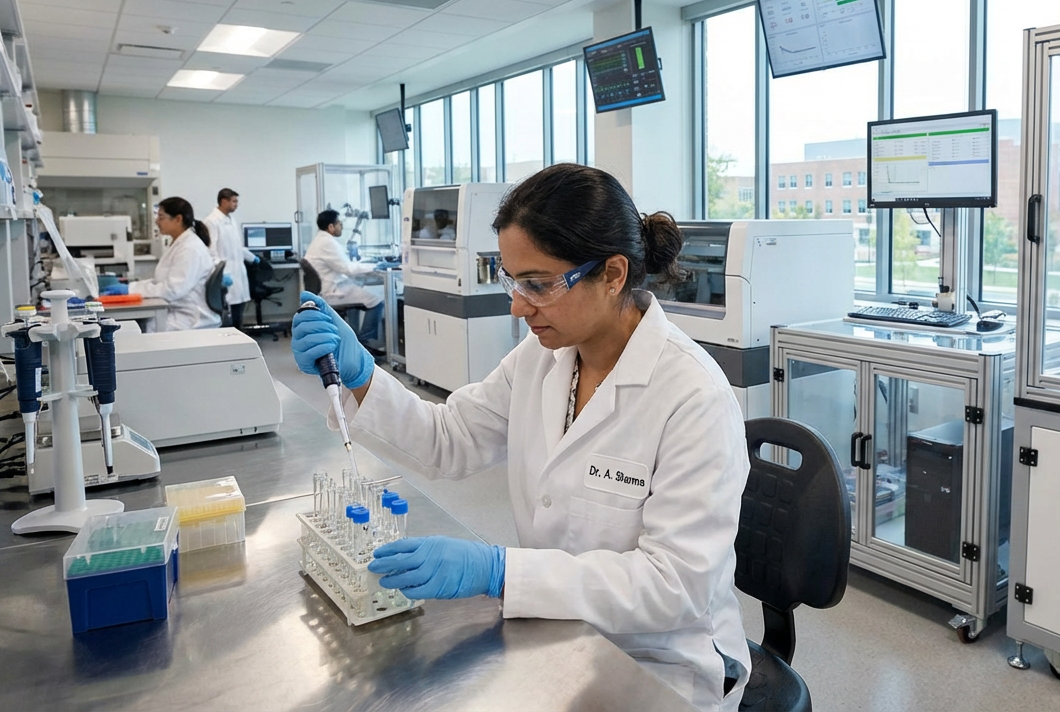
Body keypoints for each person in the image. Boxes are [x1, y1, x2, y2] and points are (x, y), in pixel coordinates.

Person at [291, 164, 750, 711]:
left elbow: (674, 586)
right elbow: (450, 437)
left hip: (657, 661)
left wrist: (501, 570)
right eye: (512, 280)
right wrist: (364, 377)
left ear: (613, 274)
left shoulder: (692, 397)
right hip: (555, 631)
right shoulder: (543, 357)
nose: (516, 305)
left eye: (539, 284)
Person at [100, 197, 220, 331]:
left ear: (178, 219)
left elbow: (173, 290)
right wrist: (130, 288)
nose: (157, 221)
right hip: (177, 309)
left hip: (190, 318)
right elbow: (159, 282)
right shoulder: (180, 243)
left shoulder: (190, 248)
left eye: (161, 217)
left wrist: (130, 290)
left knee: (141, 329)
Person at [303, 209, 391, 346]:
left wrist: (366, 266)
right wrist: (376, 266)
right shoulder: (327, 242)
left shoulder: (320, 240)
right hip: (332, 291)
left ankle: (355, 340)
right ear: (331, 227)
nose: (342, 226)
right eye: (339, 223)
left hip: (327, 288)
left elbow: (343, 265)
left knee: (360, 292)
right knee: (377, 300)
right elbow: (348, 269)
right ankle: (363, 342)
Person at [204, 188, 259, 329]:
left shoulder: (230, 220)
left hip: (238, 272)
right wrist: (220, 273)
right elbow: (211, 251)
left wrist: (252, 257)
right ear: (223, 201)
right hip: (225, 274)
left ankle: (239, 340)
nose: (236, 204)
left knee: (238, 312)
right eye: (234, 201)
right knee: (227, 316)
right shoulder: (211, 221)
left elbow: (237, 246)